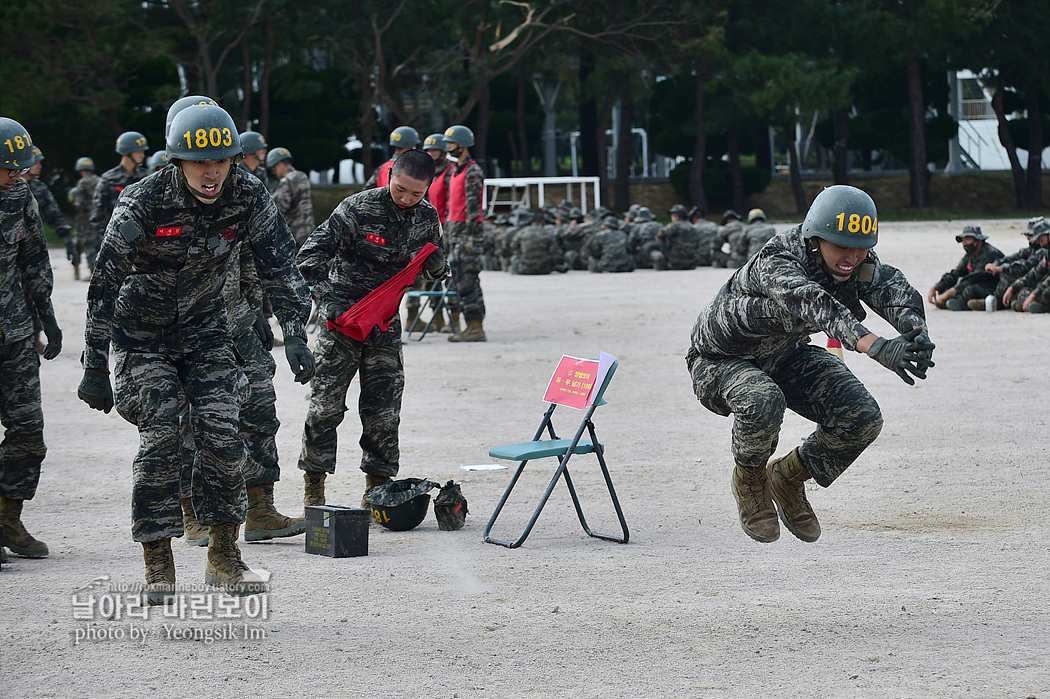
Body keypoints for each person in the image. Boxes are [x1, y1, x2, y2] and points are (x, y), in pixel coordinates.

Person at [78, 103, 314, 601]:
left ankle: (225, 560)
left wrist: (295, 330)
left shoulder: (248, 193)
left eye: (222, 161)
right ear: (176, 161)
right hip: (142, 337)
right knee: (162, 434)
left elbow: (280, 264)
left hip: (206, 331)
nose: (212, 173)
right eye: (199, 162)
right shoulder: (142, 201)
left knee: (224, 435)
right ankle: (158, 565)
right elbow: (104, 284)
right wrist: (94, 362)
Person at [686, 185, 934, 544]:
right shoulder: (778, 261)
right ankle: (751, 478)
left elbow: (891, 289)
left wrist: (915, 333)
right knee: (763, 400)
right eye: (841, 246)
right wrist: (876, 346)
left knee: (861, 416)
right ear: (816, 238)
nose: (851, 257)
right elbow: (814, 302)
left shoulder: (858, 265)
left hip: (784, 354)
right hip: (720, 361)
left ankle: (787, 477)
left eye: (860, 247)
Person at [296, 149, 447, 510]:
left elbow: (432, 264)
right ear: (389, 175)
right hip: (342, 321)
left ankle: (377, 488)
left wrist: (438, 266)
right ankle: (314, 486)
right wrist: (327, 301)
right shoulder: (357, 208)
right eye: (400, 189)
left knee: (384, 408)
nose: (407, 199)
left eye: (417, 193)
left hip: (384, 324)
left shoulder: (427, 216)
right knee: (325, 407)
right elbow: (309, 256)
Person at [0, 117, 63, 561]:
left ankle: (8, 518)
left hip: (15, 334)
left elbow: (34, 261)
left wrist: (48, 318)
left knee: (29, 433)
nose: (17, 176)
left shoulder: (20, 197)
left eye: (21, 168)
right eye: (9, 168)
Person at [442, 124, 487, 341]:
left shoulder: (472, 171)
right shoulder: (454, 172)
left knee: (468, 278)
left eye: (452, 143)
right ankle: (471, 324)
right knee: (458, 278)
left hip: (468, 231)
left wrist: (469, 236)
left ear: (463, 145)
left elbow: (473, 206)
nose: (449, 147)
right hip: (454, 230)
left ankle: (476, 325)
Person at [86, 130, 150, 277]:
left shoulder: (147, 177)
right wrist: (106, 245)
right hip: (118, 243)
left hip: (144, 244)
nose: (143, 155)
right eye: (138, 152)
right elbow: (97, 216)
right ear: (127, 153)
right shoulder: (108, 180)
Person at [928, 226, 1004, 311]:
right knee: (945, 288)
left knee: (969, 290)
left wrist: (949, 293)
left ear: (978, 240)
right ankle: (954, 301)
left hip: (992, 287)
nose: (964, 243)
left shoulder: (989, 253)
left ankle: (964, 304)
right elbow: (956, 273)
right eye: (963, 240)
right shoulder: (970, 255)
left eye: (968, 239)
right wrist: (936, 287)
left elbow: (974, 278)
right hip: (977, 285)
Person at [986, 216, 1049, 310]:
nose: (1041, 244)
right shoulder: (1047, 253)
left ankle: (1038, 305)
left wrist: (1033, 295)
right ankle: (1033, 304)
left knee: (1045, 292)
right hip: (1041, 284)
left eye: (1042, 240)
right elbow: (1035, 272)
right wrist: (1012, 288)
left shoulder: (1042, 251)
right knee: (1022, 292)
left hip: (1045, 285)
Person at [267, 147, 315, 250]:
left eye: (273, 169)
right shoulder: (302, 176)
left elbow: (281, 207)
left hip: (294, 234)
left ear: (278, 164)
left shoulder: (287, 180)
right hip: (308, 230)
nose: (274, 173)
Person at [509, 210, 568, 274]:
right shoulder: (547, 233)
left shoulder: (522, 232)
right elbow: (555, 253)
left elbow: (513, 247)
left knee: (514, 257)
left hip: (524, 269)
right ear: (543, 222)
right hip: (544, 270)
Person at [72, 157, 100, 280]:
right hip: (98, 218)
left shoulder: (82, 183)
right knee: (97, 244)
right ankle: (95, 270)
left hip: (84, 220)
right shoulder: (100, 180)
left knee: (82, 245)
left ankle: (77, 270)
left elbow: (80, 204)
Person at [653, 204, 702, 271]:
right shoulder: (693, 227)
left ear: (676, 217)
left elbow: (659, 235)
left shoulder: (675, 226)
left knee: (655, 252)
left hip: (675, 263)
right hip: (692, 262)